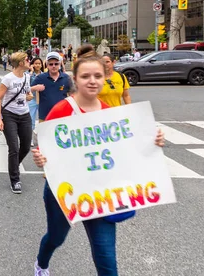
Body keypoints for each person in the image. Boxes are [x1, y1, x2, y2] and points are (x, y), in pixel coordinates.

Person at [32, 45, 165, 276]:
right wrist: (41, 158)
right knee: (56, 237)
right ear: (75, 79)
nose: (92, 81)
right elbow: (45, 146)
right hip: (65, 190)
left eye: (97, 76)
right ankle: (41, 264)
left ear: (105, 78)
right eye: (85, 76)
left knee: (107, 260)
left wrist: (152, 141)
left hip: (101, 193)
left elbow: (128, 150)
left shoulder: (110, 115)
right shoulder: (62, 110)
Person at [0, 52, 33, 194]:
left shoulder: (27, 77)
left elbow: (28, 94)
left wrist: (29, 96)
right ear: (21, 63)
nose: (30, 61)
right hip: (9, 115)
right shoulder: (8, 79)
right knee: (14, 148)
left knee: (26, 146)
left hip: (25, 114)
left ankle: (14, 165)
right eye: (27, 60)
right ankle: (15, 180)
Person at [31, 52, 73, 123]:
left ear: (59, 64)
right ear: (47, 65)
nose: (53, 66)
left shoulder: (66, 78)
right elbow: (27, 90)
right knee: (44, 134)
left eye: (56, 64)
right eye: (51, 64)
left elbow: (74, 94)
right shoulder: (41, 78)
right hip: (45, 117)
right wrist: (35, 88)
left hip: (63, 117)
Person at [27, 57, 45, 139]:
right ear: (33, 64)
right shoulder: (29, 74)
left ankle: (41, 138)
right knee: (31, 119)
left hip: (42, 99)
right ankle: (29, 138)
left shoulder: (44, 75)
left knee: (43, 120)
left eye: (39, 63)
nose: (37, 65)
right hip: (32, 99)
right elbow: (26, 84)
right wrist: (31, 71)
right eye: (36, 63)